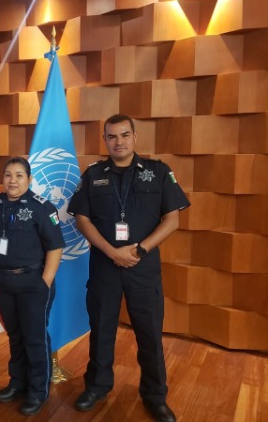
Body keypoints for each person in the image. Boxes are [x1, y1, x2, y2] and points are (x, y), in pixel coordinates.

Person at [67, 114, 190, 422]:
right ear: (105, 140)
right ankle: (97, 386)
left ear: (135, 136)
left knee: (150, 334)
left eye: (124, 135)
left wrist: (139, 250)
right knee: (101, 330)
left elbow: (172, 220)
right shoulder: (93, 174)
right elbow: (82, 219)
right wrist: (112, 252)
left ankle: (155, 396)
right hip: (104, 266)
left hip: (142, 267)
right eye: (112, 136)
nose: (118, 141)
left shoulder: (158, 172)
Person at [0, 157, 64, 416]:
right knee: (15, 335)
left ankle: (38, 390)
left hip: (33, 283)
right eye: (8, 175)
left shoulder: (41, 207)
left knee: (35, 337)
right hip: (4, 281)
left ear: (29, 179)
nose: (12, 180)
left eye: (19, 175)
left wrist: (45, 282)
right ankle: (17, 383)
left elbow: (55, 246)